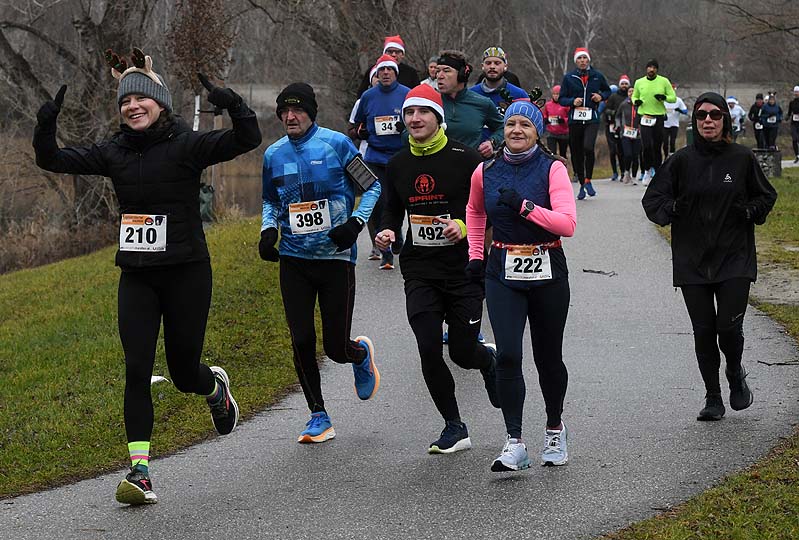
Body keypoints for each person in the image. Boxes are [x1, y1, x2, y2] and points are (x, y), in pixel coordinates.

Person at [32, 50, 261, 505]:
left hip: (186, 275)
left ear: (160, 103)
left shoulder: (187, 144)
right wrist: (45, 122)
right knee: (136, 369)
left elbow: (247, 137)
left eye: (141, 98)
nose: (132, 106)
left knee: (182, 373)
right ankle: (140, 473)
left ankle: (216, 389)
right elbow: (52, 159)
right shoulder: (114, 151)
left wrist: (232, 101)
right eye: (124, 101)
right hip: (136, 276)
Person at [374, 84, 500, 453]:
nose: (415, 119)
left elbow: (486, 206)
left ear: (438, 117)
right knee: (429, 347)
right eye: (409, 114)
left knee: (462, 352)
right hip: (420, 269)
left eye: (423, 112)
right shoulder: (398, 164)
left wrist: (462, 226)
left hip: (464, 268)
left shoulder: (466, 158)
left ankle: (487, 359)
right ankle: (454, 426)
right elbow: (392, 207)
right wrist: (386, 229)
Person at [642, 92, 777, 422]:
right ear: (694, 121)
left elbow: (766, 196)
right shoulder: (680, 161)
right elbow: (652, 201)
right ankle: (713, 396)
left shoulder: (741, 158)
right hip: (692, 260)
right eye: (701, 115)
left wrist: (750, 212)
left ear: (725, 120)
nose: (708, 120)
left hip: (735, 257)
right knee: (703, 331)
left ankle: (734, 370)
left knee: (728, 330)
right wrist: (672, 209)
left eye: (715, 115)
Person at [260, 82, 382, 444]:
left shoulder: (336, 144)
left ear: (311, 113)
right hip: (294, 261)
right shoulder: (274, 154)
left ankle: (358, 354)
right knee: (300, 339)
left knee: (334, 348)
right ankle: (318, 415)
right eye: (284, 111)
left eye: (297, 110)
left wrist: (355, 224)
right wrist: (268, 231)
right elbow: (270, 201)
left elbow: (372, 186)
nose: (290, 117)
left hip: (336, 259)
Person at [465, 100, 577, 471]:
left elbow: (566, 224)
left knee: (548, 358)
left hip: (547, 268)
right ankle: (515, 442)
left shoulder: (552, 169)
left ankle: (554, 429)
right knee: (509, 355)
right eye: (510, 123)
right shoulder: (486, 171)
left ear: (537, 131)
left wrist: (526, 207)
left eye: (525, 126)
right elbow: (476, 211)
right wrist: (476, 254)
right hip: (502, 269)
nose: (516, 130)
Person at [353, 54, 410, 269]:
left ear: (395, 73)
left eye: (390, 70)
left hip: (400, 156)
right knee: (378, 203)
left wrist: (404, 128)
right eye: (382, 70)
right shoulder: (367, 97)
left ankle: (398, 233)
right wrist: (362, 131)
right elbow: (355, 127)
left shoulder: (406, 94)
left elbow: (417, 120)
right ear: (376, 74)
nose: (385, 73)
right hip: (375, 157)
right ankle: (386, 251)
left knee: (398, 201)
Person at [558, 47, 611, 199]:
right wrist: (572, 101)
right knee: (576, 152)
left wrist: (600, 97)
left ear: (588, 60)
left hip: (591, 118)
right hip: (575, 119)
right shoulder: (569, 77)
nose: (582, 61)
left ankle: (588, 179)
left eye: (585, 58)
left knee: (588, 147)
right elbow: (562, 98)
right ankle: (581, 183)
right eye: (579, 59)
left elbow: (607, 91)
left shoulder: (597, 76)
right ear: (576, 61)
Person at [436, 50, 504, 157]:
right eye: (437, 71)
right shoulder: (430, 102)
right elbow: (406, 133)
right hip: (434, 168)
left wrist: (492, 142)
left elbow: (503, 128)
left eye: (446, 70)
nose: (439, 76)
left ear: (462, 75)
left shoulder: (482, 103)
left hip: (470, 169)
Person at [632, 59, 676, 185]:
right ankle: (647, 170)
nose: (651, 70)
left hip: (658, 117)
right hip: (645, 116)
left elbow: (673, 98)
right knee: (646, 146)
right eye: (649, 67)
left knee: (657, 146)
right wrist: (636, 102)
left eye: (654, 67)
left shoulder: (664, 81)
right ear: (646, 69)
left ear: (657, 69)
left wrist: (664, 98)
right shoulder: (639, 82)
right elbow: (634, 96)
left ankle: (657, 172)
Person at [469, 46, 528, 121]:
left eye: (497, 63)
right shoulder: (471, 94)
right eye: (488, 63)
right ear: (482, 66)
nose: (492, 66)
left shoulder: (519, 95)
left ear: (505, 66)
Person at [604, 77, 630, 181]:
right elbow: (606, 111)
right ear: (619, 85)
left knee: (622, 150)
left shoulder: (630, 97)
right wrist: (614, 113)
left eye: (626, 84)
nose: (624, 85)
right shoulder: (613, 96)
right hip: (611, 126)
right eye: (622, 84)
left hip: (624, 127)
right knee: (612, 150)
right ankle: (615, 172)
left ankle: (623, 171)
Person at [616, 85, 643, 185]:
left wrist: (641, 127)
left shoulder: (640, 105)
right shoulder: (623, 104)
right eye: (629, 92)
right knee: (628, 154)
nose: (631, 93)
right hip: (625, 133)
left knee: (636, 156)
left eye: (633, 92)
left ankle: (635, 176)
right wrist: (618, 126)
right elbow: (617, 116)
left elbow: (643, 117)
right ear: (627, 94)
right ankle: (627, 171)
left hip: (637, 134)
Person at [541, 85, 570, 159]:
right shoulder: (548, 105)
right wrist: (546, 120)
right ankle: (553, 168)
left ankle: (563, 169)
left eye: (558, 94)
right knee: (552, 153)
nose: (556, 96)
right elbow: (544, 115)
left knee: (563, 154)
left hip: (563, 132)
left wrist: (563, 120)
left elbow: (570, 117)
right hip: (551, 133)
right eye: (554, 94)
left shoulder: (566, 105)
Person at [662, 84, 688, 158]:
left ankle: (672, 155)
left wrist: (679, 110)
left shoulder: (678, 100)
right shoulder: (664, 101)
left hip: (674, 124)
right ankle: (666, 156)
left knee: (672, 141)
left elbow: (685, 111)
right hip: (665, 124)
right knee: (665, 142)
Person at [787, 86, 799, 162]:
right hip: (794, 123)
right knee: (794, 139)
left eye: (797, 92)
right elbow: (789, 113)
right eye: (795, 92)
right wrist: (786, 118)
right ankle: (797, 155)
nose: (796, 93)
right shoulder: (792, 103)